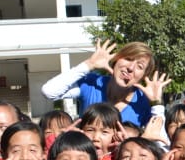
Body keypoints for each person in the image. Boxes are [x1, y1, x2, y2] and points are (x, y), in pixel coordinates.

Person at [41, 40, 170, 127]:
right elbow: (49, 91)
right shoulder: (93, 83)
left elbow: (161, 144)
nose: (130, 68)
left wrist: (156, 104)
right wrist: (89, 64)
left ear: (143, 76)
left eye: (139, 66)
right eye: (128, 59)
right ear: (117, 59)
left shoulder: (144, 102)